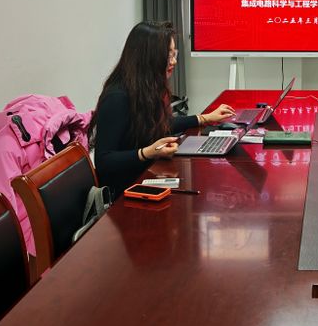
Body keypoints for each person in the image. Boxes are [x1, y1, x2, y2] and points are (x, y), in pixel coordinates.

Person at [90, 21, 235, 197]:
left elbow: (159, 124)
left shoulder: (145, 88)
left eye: (174, 54)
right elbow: (104, 161)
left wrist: (203, 118)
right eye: (168, 55)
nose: (174, 61)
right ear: (149, 58)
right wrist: (147, 153)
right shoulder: (117, 97)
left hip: (146, 174)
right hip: (124, 193)